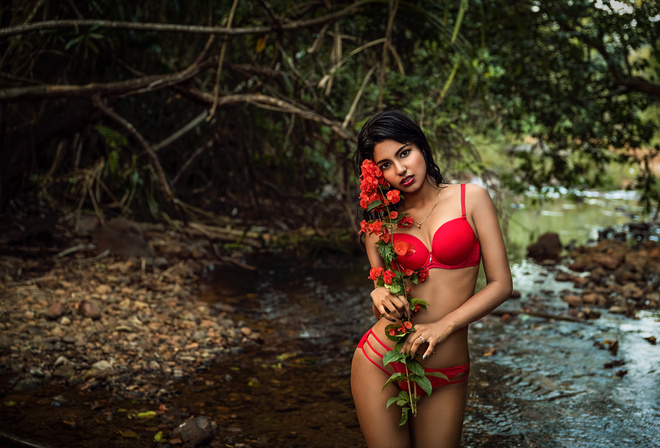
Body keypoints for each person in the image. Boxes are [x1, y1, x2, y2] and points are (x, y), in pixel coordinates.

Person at [350, 111, 512, 448]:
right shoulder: (382, 224)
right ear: (376, 174)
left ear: (421, 147)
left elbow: (501, 284)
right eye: (385, 165)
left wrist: (444, 326)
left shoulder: (471, 199)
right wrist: (378, 294)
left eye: (405, 152)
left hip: (447, 371)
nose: (400, 169)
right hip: (382, 361)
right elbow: (382, 286)